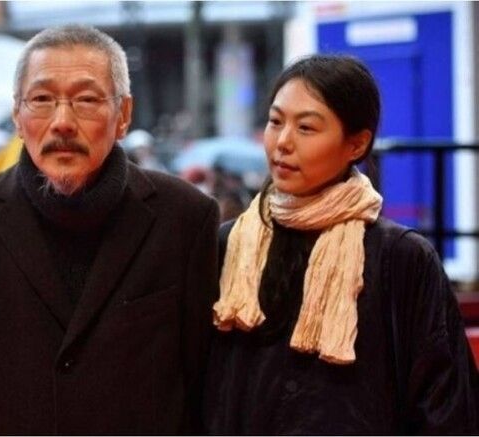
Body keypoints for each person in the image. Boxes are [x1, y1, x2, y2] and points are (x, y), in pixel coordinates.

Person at [0, 25, 219, 435]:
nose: (62, 122)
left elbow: (200, 376)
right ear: (17, 115)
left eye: (86, 100)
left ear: (123, 115)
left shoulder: (185, 218)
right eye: (41, 99)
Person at [204, 54, 478, 435]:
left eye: (306, 128)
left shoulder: (400, 257)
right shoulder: (229, 244)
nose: (282, 142)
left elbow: (446, 408)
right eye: (275, 121)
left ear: (357, 144)